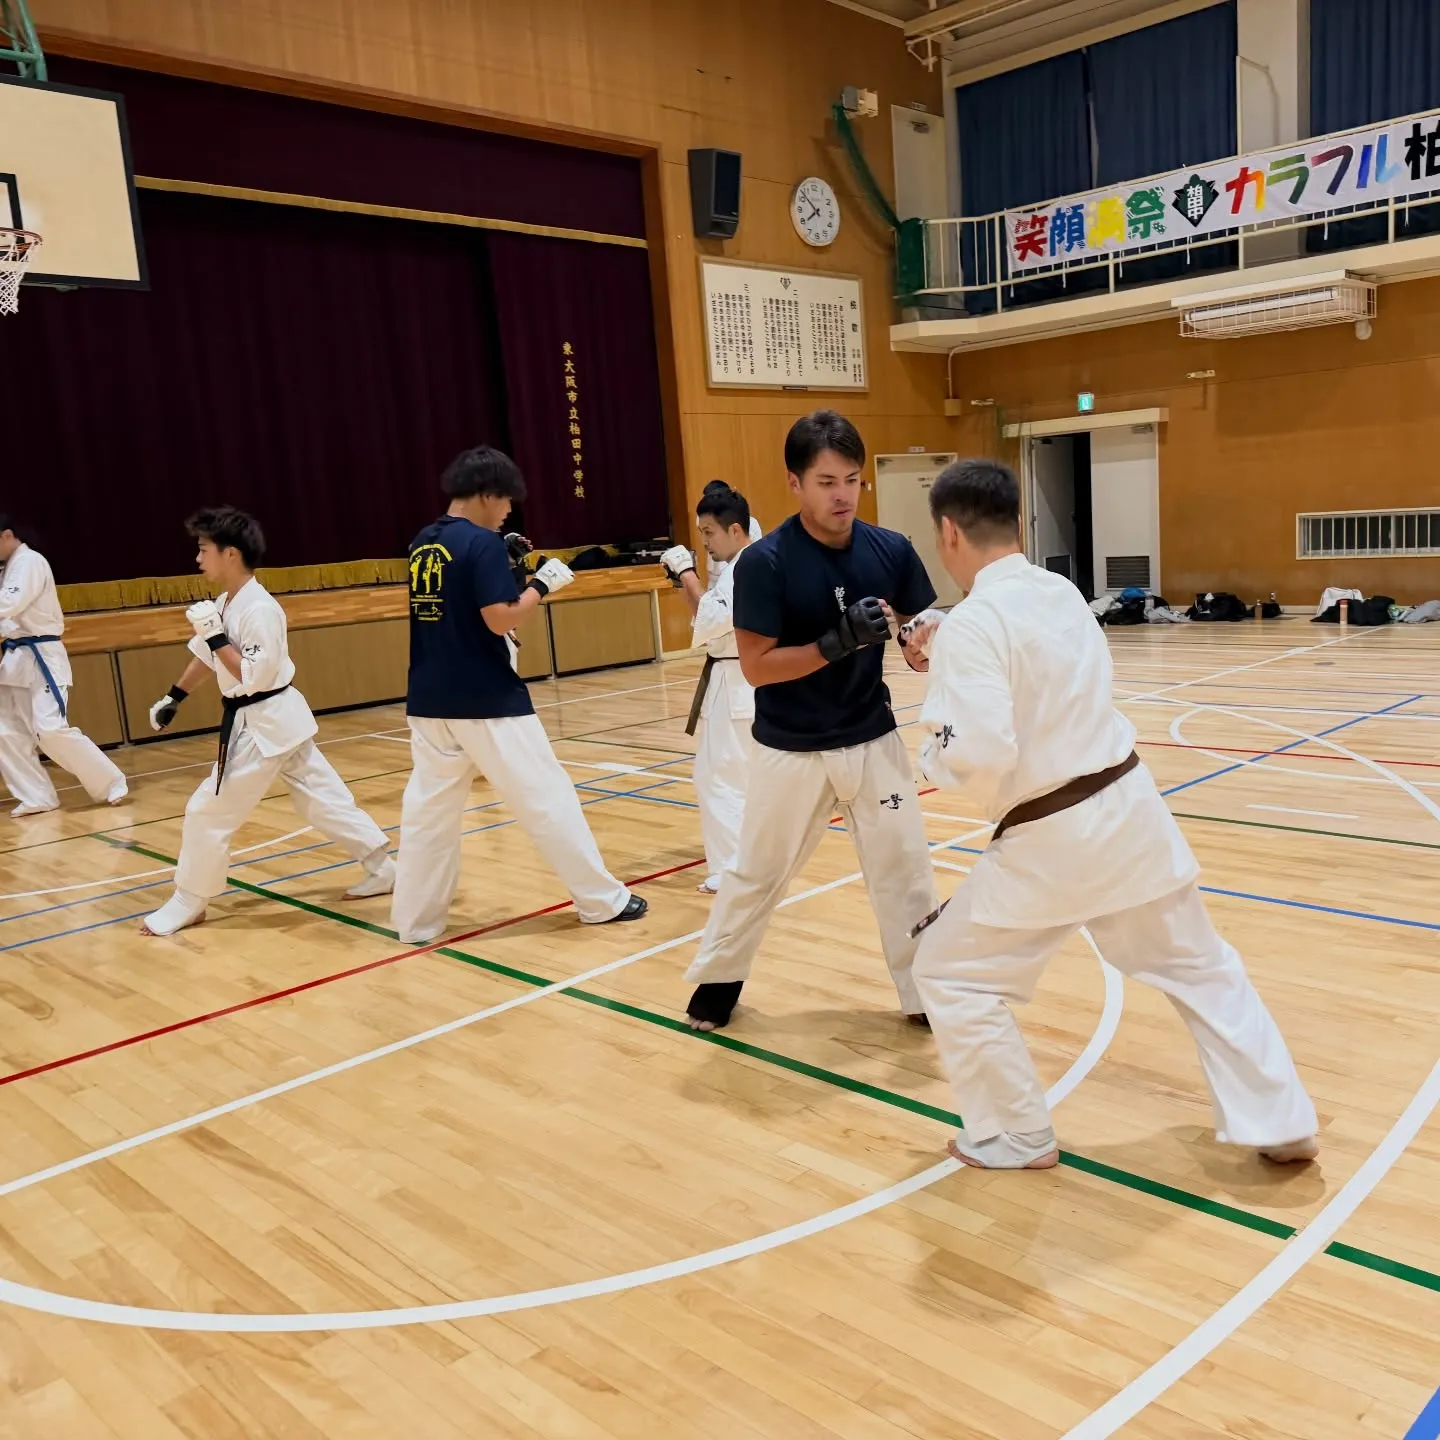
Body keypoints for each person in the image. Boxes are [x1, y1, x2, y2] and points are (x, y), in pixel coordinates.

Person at [907, 459, 1319, 1170]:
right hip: (1129, 811)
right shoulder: (1062, 592)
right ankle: (1282, 1123)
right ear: (1017, 524)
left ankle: (1013, 1132)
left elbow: (980, 753)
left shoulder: (977, 622)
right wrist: (947, 640)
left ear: (947, 532)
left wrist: (929, 748)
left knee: (947, 970)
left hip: (1051, 836)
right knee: (1203, 968)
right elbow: (1029, 658)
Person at [682, 410, 939, 1031]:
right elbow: (756, 667)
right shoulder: (765, 564)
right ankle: (716, 982)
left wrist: (919, 644)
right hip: (791, 749)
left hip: (872, 737)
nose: (842, 494)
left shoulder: (890, 549)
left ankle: (925, 993)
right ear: (795, 483)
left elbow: (916, 630)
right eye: (826, 481)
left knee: (906, 869)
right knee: (758, 871)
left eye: (851, 479)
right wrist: (834, 644)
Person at [390, 445, 647, 944]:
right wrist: (541, 585)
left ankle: (415, 923)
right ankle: (601, 901)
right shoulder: (481, 543)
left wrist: (505, 566)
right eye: (506, 499)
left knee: (428, 816)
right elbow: (499, 617)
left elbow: (455, 603)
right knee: (547, 797)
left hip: (428, 699)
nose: (509, 510)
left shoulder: (424, 541)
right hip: (485, 699)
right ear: (488, 493)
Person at [141, 507, 395, 936]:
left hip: (263, 721)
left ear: (231, 554)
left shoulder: (261, 610)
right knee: (322, 798)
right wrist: (174, 696)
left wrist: (216, 635)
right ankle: (382, 867)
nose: (198, 558)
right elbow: (207, 657)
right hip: (276, 720)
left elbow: (251, 674)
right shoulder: (226, 602)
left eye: (204, 549)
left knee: (207, 811)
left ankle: (190, 898)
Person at [661, 482, 756, 895]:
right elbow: (707, 621)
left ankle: (731, 869)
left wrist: (686, 573)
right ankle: (749, 860)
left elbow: (712, 618)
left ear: (735, 530)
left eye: (709, 533)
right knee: (741, 776)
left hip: (735, 680)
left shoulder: (745, 568)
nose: (705, 542)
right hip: (741, 678)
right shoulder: (750, 562)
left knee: (717, 777)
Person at [0, 516, 128, 816]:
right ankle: (36, 797)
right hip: (15, 658)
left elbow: (9, 604)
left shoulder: (30, 562)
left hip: (42, 653)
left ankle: (110, 782)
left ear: (7, 535)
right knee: (5, 730)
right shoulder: (6, 570)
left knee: (51, 730)